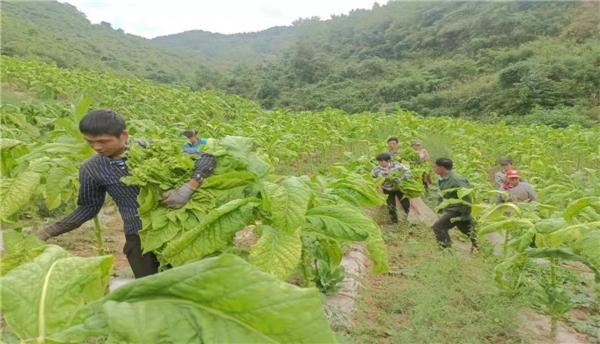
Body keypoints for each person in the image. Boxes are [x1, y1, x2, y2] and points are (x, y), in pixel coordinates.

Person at [36, 110, 216, 278]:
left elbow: (207, 158)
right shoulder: (91, 169)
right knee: (149, 290)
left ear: (123, 135)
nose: (97, 147)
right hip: (138, 236)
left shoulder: (153, 149)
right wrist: (48, 232)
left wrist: (188, 188)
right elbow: (88, 208)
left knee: (188, 283)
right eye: (90, 142)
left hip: (181, 230)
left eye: (103, 141)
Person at [431, 158, 477, 249]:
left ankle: (446, 251)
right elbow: (443, 194)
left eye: (436, 166)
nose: (434, 168)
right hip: (452, 208)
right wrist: (440, 207)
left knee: (438, 227)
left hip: (458, 209)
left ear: (442, 168)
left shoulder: (457, 180)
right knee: (469, 231)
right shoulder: (442, 178)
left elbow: (467, 197)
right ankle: (484, 248)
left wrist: (465, 214)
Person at [371, 152, 411, 224]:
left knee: (406, 204)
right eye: (379, 161)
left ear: (388, 160)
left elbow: (407, 172)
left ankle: (410, 219)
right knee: (391, 206)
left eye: (383, 161)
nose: (381, 163)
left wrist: (401, 179)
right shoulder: (376, 170)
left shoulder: (397, 166)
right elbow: (372, 179)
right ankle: (394, 222)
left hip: (399, 188)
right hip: (387, 189)